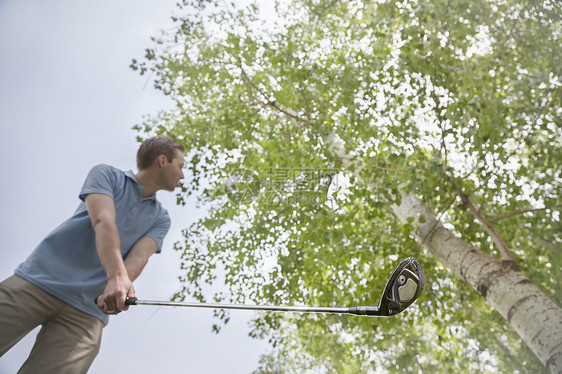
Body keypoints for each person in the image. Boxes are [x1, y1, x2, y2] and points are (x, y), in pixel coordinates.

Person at [0, 136, 185, 373]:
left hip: (87, 313)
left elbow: (139, 257)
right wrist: (116, 277)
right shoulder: (106, 175)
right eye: (180, 166)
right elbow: (102, 220)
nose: (182, 175)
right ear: (162, 160)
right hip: (38, 282)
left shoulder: (161, 219)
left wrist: (121, 286)